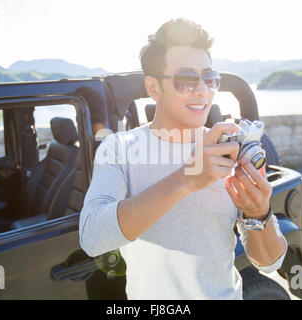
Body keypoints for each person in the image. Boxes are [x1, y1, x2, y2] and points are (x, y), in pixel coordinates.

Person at [79, 18, 287, 300]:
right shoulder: (119, 148)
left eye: (210, 79)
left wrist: (260, 213)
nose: (203, 90)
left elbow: (270, 262)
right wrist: (187, 179)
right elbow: (92, 239)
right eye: (187, 80)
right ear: (154, 88)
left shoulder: (232, 148)